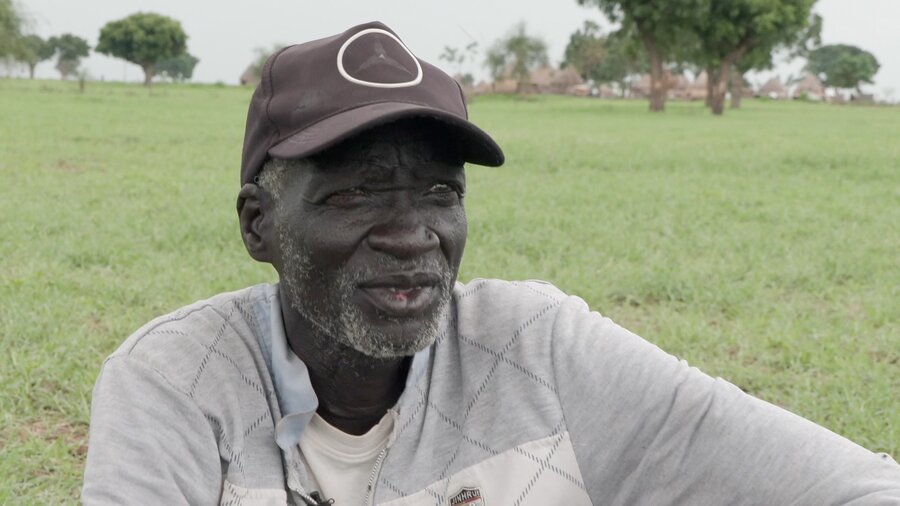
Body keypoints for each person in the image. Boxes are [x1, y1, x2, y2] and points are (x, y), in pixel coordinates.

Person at [82, 21, 899, 506]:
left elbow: (846, 487)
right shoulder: (175, 384)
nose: (413, 235)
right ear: (258, 226)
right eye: (356, 196)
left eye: (438, 191)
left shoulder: (538, 346)